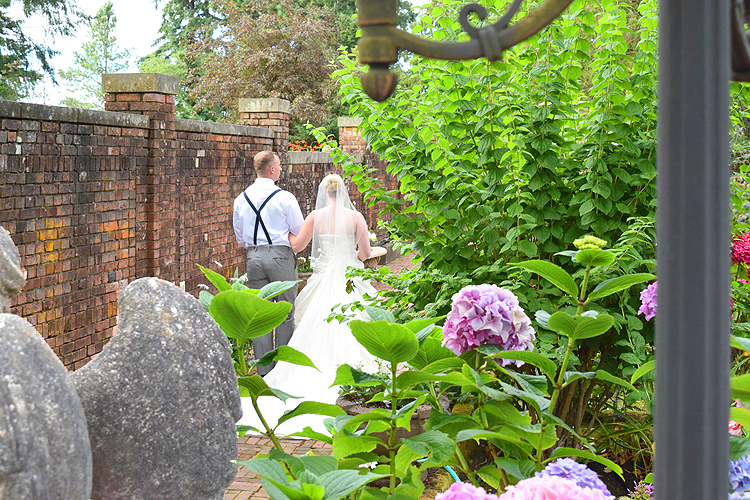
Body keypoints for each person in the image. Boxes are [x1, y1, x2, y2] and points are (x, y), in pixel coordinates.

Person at [236, 174, 380, 436]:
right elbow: (365, 254)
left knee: (311, 320)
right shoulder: (356, 218)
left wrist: (279, 233)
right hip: (349, 276)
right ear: (344, 192)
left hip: (323, 276)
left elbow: (298, 245)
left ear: (324, 193)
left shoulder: (315, 216)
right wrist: (353, 256)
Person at [233, 150, 304, 376]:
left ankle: (264, 371)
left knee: (260, 313)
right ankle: (282, 369)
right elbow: (299, 230)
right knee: (285, 311)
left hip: (253, 256)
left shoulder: (241, 199)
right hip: (280, 256)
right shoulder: (285, 198)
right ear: (272, 169)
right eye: (279, 166)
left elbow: (240, 237)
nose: (281, 169)